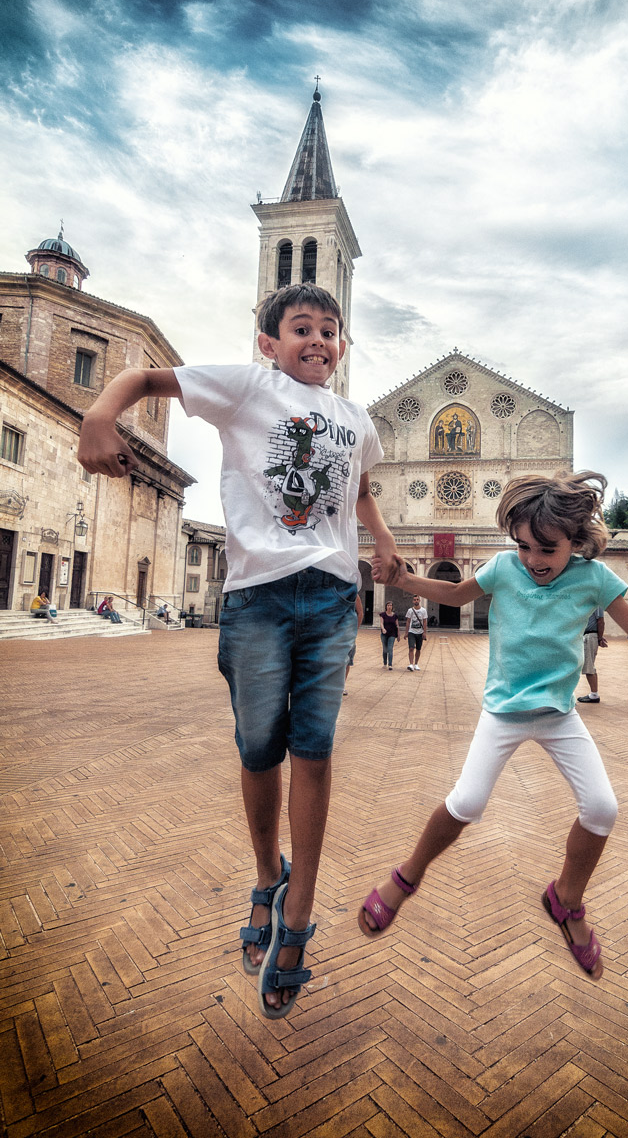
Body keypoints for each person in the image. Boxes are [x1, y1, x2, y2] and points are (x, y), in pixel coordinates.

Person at [77, 282, 401, 1018]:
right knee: (259, 749)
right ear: (270, 342)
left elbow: (359, 487)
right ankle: (267, 876)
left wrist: (381, 540)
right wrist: (100, 415)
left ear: (341, 345)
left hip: (329, 597)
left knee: (313, 750)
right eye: (300, 328)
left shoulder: (357, 419)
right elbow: (144, 378)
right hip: (255, 597)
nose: (316, 340)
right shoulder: (246, 386)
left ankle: (297, 919)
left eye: (329, 330)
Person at [364, 470, 628, 980]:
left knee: (602, 809)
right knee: (466, 803)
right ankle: (406, 878)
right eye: (523, 547)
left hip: (560, 715)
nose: (534, 560)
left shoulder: (594, 578)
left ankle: (566, 900)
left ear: (576, 541)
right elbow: (454, 595)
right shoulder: (502, 568)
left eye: (547, 549)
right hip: (503, 712)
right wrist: (405, 579)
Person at [577, 608, 606, 703]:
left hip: (590, 636)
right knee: (589, 665)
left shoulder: (597, 605)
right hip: (588, 636)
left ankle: (594, 694)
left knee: (589, 666)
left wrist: (600, 638)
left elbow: (601, 621)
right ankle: (594, 693)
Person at [343, 595, 364, 694]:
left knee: (347, 660)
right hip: (334, 631)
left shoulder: (354, 593)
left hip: (348, 633)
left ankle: (342, 685)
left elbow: (360, 613)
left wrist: (355, 630)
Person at [405, 594, 428, 670]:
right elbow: (408, 621)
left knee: (418, 649)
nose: (416, 601)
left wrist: (424, 632)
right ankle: (411, 664)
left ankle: (416, 664)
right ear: (412, 601)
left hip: (420, 632)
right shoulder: (410, 610)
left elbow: (424, 622)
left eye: (417, 599)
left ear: (419, 600)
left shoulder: (423, 610)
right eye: (414, 600)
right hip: (412, 632)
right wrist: (406, 632)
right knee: (411, 648)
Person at [379, 600, 400, 669]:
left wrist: (398, 635)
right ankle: (385, 663)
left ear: (392, 607)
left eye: (390, 605)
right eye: (388, 605)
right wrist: (383, 629)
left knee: (390, 649)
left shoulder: (395, 615)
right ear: (386, 606)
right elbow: (381, 623)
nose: (389, 607)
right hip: (384, 634)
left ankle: (390, 664)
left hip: (392, 634)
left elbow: (397, 625)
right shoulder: (383, 614)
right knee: (385, 649)